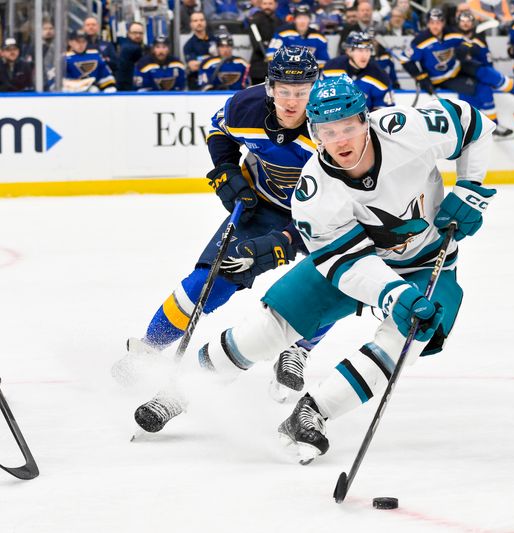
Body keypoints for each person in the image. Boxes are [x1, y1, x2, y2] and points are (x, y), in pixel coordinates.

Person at [195, 75, 497, 464]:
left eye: (349, 127)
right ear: (315, 133)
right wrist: (392, 294)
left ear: (365, 120)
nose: (340, 140)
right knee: (270, 329)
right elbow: (346, 263)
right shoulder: (313, 190)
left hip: (426, 262)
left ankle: (311, 413)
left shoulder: (408, 131)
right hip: (351, 264)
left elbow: (475, 125)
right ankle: (185, 387)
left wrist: (472, 188)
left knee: (409, 334)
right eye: (327, 131)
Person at [117, 47, 329, 421]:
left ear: (316, 87)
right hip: (261, 205)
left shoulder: (331, 127)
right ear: (270, 87)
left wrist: (286, 242)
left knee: (332, 280)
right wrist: (227, 172)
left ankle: (298, 348)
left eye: (302, 90)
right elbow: (219, 131)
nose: (293, 100)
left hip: (323, 218)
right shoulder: (245, 107)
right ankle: (150, 347)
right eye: (284, 90)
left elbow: (348, 198)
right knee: (210, 279)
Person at [402, 8, 514, 138]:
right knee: (477, 89)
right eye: (432, 22)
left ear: (443, 23)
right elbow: (404, 59)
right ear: (427, 23)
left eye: (438, 22)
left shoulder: (451, 33)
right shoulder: (420, 40)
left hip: (456, 69)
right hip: (441, 79)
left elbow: (467, 42)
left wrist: (466, 48)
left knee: (483, 73)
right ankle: (481, 127)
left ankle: (511, 97)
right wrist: (420, 76)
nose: (435, 26)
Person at [321, 31, 394, 110]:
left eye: (367, 50)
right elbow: (320, 99)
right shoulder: (331, 68)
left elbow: (385, 111)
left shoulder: (380, 76)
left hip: (365, 121)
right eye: (360, 50)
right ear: (348, 51)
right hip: (333, 120)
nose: (364, 55)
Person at [249, 0, 280, 84]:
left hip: (276, 67)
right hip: (258, 67)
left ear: (275, 5)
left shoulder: (279, 22)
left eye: (270, 4)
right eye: (265, 4)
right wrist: (268, 51)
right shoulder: (255, 21)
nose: (267, 6)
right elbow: (256, 45)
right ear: (260, 5)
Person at [184, 12, 212, 90]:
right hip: (196, 82)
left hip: (215, 80)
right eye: (195, 21)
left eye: (201, 20)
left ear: (205, 22)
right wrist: (211, 59)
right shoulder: (188, 45)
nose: (199, 23)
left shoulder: (215, 40)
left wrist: (201, 61)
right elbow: (193, 67)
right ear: (191, 24)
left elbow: (223, 60)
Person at [117, 22, 147, 91]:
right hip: (128, 88)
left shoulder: (141, 47)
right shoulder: (131, 48)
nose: (138, 36)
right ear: (128, 34)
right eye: (134, 33)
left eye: (140, 33)